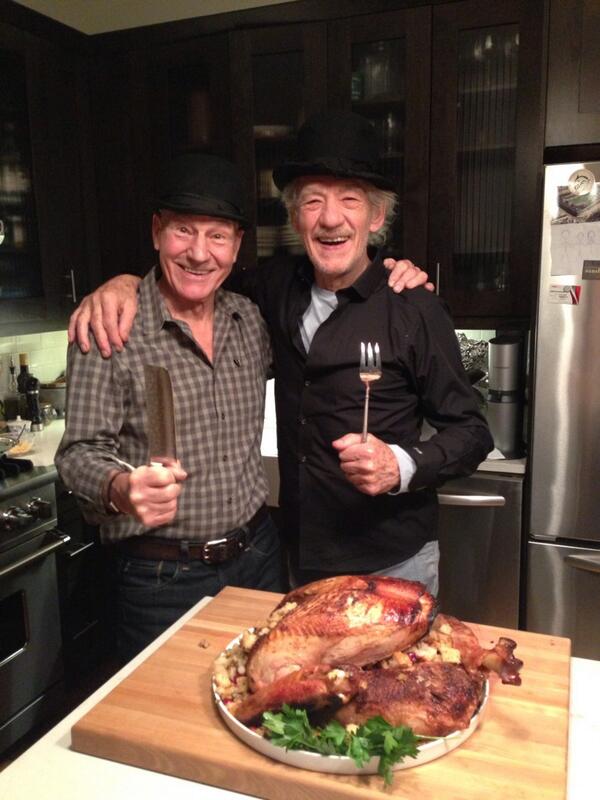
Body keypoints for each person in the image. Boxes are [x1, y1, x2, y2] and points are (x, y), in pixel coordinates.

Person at [68, 111, 492, 594]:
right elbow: (193, 273)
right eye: (312, 201)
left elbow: (472, 432)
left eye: (349, 200)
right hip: (294, 559)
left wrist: (402, 465)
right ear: (295, 218)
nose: (330, 218)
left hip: (392, 563)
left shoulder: (413, 307)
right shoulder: (268, 293)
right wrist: (122, 283)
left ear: (375, 217)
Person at [55, 153, 284, 663]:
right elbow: (78, 453)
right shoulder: (111, 327)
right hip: (161, 578)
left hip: (259, 558)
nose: (199, 253)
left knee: (263, 698)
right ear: (157, 231)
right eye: (184, 230)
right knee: (168, 709)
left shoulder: (249, 320)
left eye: (217, 236)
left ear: (236, 246)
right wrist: (120, 487)